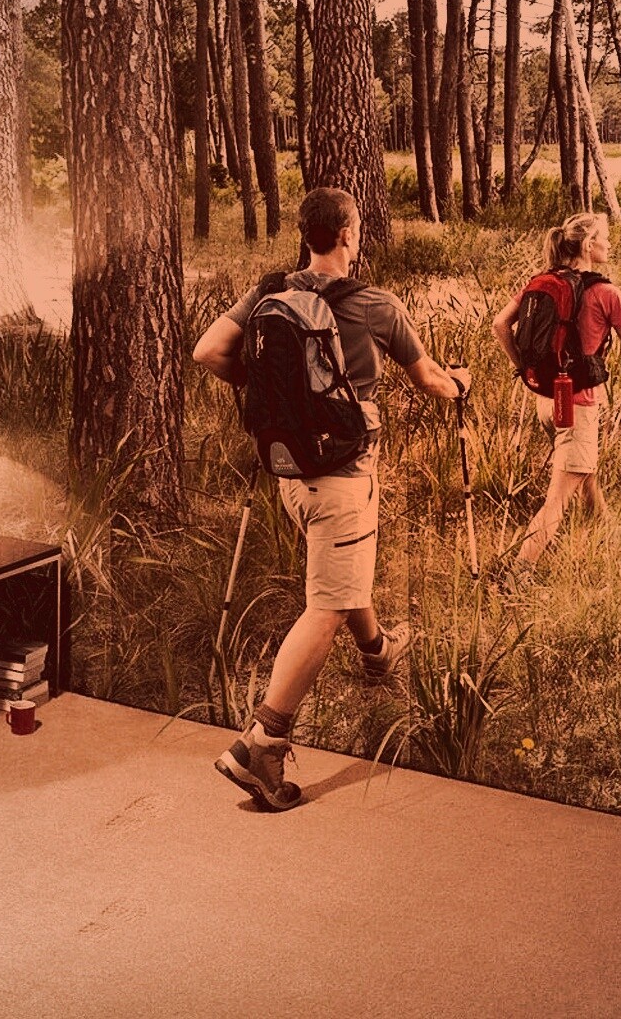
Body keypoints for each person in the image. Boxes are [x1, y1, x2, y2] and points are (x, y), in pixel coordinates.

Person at [192, 187, 471, 811]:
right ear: (348, 234)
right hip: (342, 477)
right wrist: (461, 383)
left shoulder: (269, 292)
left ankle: (377, 652)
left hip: (290, 474)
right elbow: (429, 378)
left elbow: (207, 351)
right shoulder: (375, 304)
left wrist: (266, 387)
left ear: (305, 234)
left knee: (343, 572)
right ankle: (262, 743)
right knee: (327, 605)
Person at [491, 212, 621, 571]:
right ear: (589, 244)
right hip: (578, 404)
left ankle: (605, 535)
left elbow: (500, 324)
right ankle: (517, 573)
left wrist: (523, 370)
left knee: (584, 471)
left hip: (546, 400)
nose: (609, 243)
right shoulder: (607, 293)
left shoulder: (541, 282)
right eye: (605, 237)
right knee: (557, 501)